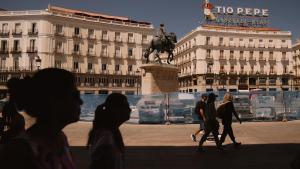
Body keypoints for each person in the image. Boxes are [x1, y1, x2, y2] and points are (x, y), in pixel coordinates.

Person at [0, 68, 82, 169]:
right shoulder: (19, 151)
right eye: (75, 96)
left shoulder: (60, 139)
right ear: (54, 100)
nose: (80, 101)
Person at [87, 93, 131, 169]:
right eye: (126, 106)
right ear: (115, 110)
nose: (129, 109)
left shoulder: (112, 132)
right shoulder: (106, 139)